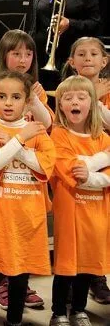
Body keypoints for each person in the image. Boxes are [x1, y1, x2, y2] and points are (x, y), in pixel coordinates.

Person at [0, 71, 55, 326]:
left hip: (29, 217)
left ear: (27, 99)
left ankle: (15, 321)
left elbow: (44, 167)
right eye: (2, 96)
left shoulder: (37, 131)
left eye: (16, 96)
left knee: (21, 276)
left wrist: (13, 144)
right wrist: (20, 140)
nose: (8, 103)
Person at [49, 75, 110, 325]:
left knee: (86, 264)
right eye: (68, 97)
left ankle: (79, 309)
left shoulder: (103, 138)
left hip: (95, 214)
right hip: (70, 213)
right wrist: (103, 160)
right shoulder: (59, 135)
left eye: (82, 97)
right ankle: (58, 312)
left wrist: (95, 175)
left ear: (92, 103)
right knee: (66, 265)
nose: (75, 102)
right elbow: (71, 171)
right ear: (61, 105)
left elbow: (102, 177)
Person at [0, 29, 54, 130]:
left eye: (28, 54)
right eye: (16, 54)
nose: (23, 60)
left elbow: (46, 126)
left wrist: (35, 102)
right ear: (4, 56)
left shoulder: (35, 88)